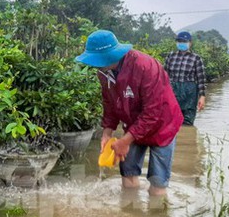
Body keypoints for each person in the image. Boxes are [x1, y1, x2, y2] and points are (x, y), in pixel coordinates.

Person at [76, 30, 183, 196]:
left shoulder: (145, 67)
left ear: (111, 55)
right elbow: (109, 104)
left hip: (163, 125)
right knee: (127, 173)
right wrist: (107, 133)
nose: (95, 66)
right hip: (133, 124)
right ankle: (130, 211)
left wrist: (125, 141)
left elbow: (153, 112)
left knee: (157, 182)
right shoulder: (103, 73)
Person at [163, 31, 206, 126]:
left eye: (184, 41)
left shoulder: (196, 58)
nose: (181, 43)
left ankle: (187, 139)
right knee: (171, 120)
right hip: (173, 91)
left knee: (187, 122)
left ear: (190, 43)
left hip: (189, 94)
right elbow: (164, 76)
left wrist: (202, 96)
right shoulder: (171, 56)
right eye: (179, 41)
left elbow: (201, 79)